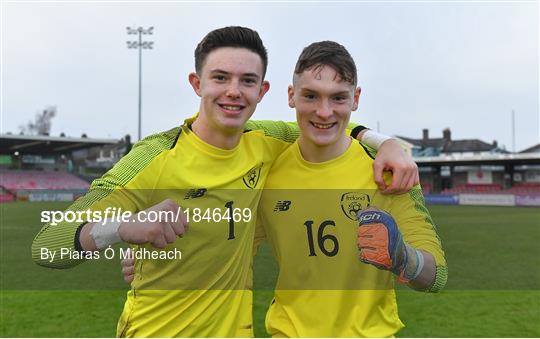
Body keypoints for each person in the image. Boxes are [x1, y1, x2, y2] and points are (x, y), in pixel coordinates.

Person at [32, 27, 419, 337]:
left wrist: (387, 143)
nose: (234, 90)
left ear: (262, 91)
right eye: (220, 77)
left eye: (247, 80)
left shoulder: (266, 140)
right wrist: (122, 229)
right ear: (196, 83)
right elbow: (47, 247)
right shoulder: (153, 159)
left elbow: (327, 120)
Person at [254, 41, 447, 337]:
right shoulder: (267, 170)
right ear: (291, 96)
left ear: (355, 99)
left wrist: (403, 258)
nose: (323, 111)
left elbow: (436, 276)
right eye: (310, 96)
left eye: (338, 98)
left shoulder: (390, 172)